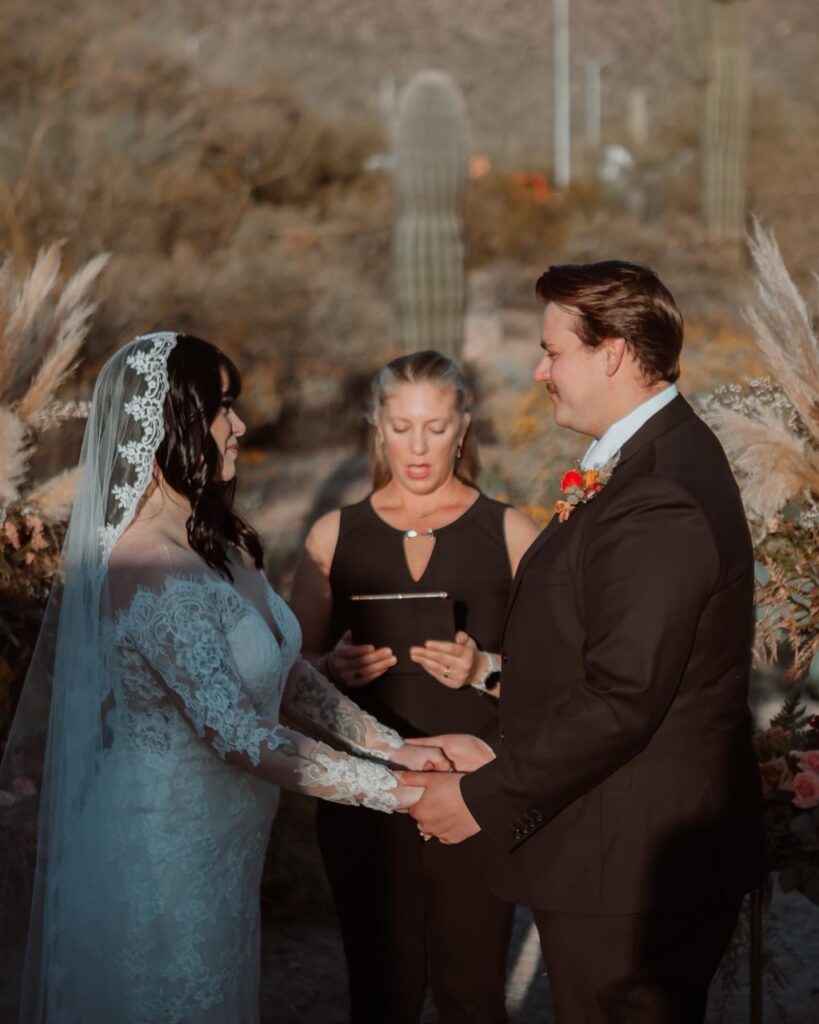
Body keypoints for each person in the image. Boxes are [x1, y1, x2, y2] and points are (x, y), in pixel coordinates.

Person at [0, 332, 449, 1024]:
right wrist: (402, 795)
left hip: (223, 848)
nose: (239, 426)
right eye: (223, 408)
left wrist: (393, 747)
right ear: (171, 424)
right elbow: (238, 736)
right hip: (156, 859)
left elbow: (284, 673)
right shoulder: (143, 566)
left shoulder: (219, 542)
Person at [404, 262, 768, 1024]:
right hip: (612, 845)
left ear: (611, 353)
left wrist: (482, 798)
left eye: (551, 351)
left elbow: (623, 698)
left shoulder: (660, 490)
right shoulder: (641, 462)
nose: (538, 371)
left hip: (631, 867)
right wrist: (501, 736)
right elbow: (603, 659)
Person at [289, 350, 539, 1024]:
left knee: (471, 995)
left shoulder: (514, 533)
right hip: (365, 799)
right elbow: (284, 673)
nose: (418, 446)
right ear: (376, 427)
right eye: (401, 426)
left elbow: (560, 682)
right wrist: (329, 669)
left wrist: (484, 668)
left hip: (474, 791)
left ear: (463, 426)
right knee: (380, 995)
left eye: (434, 426)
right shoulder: (330, 536)